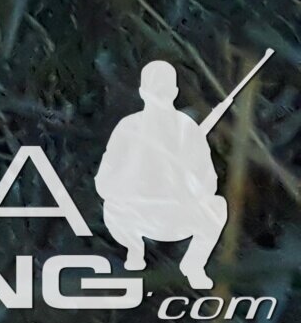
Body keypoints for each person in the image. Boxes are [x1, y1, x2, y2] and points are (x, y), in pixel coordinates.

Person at [97, 60, 231, 286]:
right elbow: (104, 181)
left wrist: (185, 177)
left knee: (217, 206)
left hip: (176, 214)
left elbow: (209, 182)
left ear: (174, 92)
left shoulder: (188, 129)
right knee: (112, 208)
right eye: (154, 89)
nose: (159, 96)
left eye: (165, 89)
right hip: (134, 215)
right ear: (143, 92)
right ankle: (134, 252)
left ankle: (194, 265)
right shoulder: (128, 128)